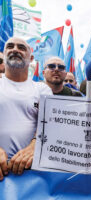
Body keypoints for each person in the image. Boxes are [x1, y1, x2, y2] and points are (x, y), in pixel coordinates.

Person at [0, 37, 52, 181]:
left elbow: (50, 123)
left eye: (21, 48)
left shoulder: (42, 89)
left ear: (31, 58)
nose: (15, 49)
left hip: (31, 175)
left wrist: (35, 146)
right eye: (10, 46)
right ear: (3, 54)